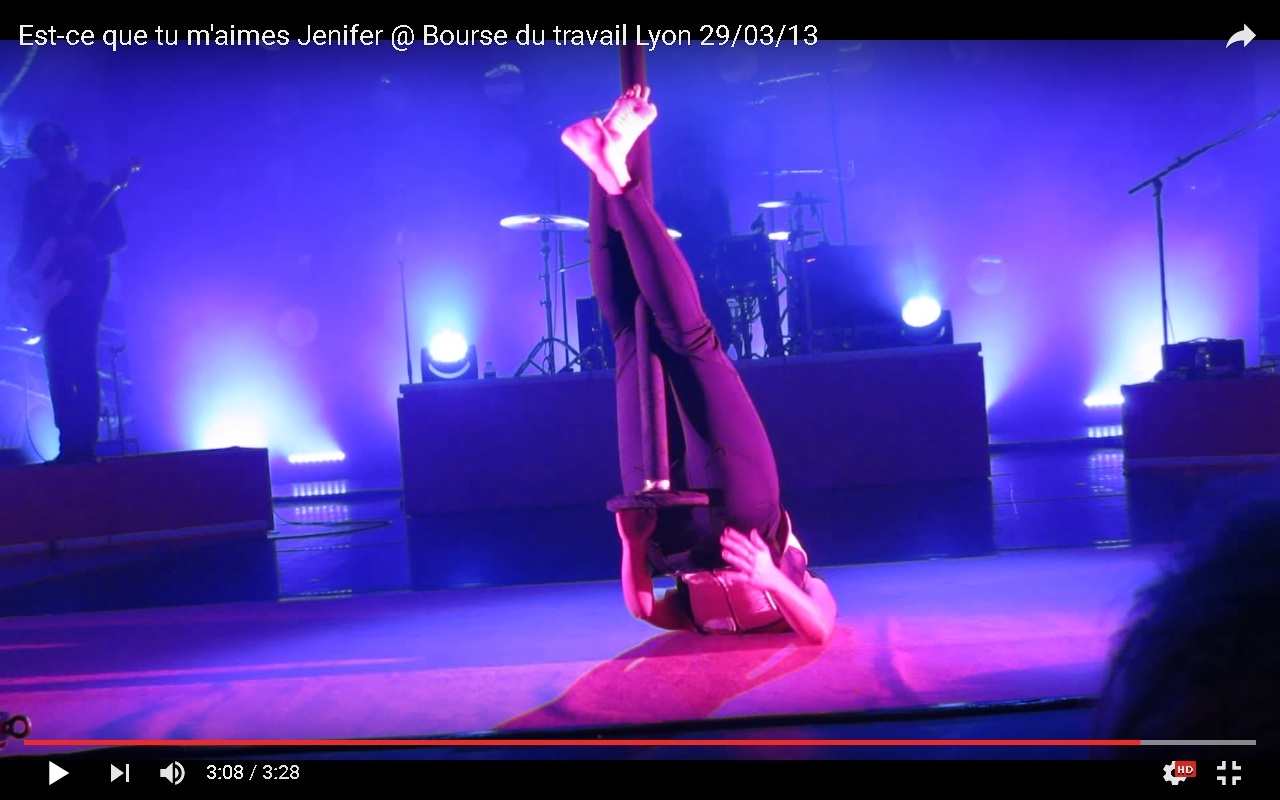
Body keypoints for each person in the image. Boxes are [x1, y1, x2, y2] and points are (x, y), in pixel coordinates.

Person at [561, 85, 836, 645]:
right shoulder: (792, 594)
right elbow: (820, 629)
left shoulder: (692, 617)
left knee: (629, 336)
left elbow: (644, 609)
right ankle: (610, 169)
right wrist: (770, 579)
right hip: (744, 517)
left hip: (671, 535)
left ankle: (603, 163)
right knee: (688, 342)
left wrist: (633, 545)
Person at [5, 121, 126, 464]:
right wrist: (15, 275)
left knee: (82, 359)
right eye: (43, 154)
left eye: (55, 151)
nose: (50, 159)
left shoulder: (95, 192)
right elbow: (29, 242)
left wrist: (89, 244)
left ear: (70, 150)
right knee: (56, 363)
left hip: (86, 287)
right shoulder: (37, 195)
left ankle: (85, 445)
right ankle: (67, 444)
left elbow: (117, 237)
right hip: (50, 290)